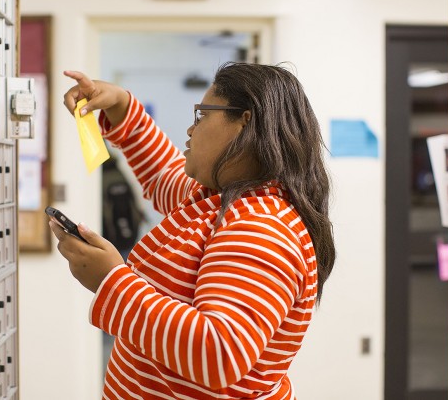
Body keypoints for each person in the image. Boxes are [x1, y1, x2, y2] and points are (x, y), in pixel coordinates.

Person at [51, 62, 336, 399]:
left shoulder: (261, 227)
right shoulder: (218, 198)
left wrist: (111, 281)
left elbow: (219, 354)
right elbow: (162, 173)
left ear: (245, 122)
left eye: (202, 115)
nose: (190, 129)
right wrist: (120, 105)